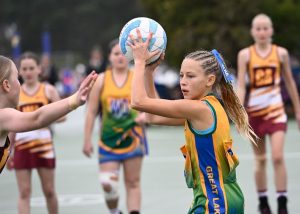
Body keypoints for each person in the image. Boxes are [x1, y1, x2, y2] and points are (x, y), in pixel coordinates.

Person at [129, 30, 257, 214]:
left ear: (209, 80)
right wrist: (149, 71)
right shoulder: (207, 108)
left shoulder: (198, 109)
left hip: (215, 202)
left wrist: (139, 62)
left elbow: (138, 102)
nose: (183, 82)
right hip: (220, 198)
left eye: (190, 76)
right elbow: (152, 117)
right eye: (181, 76)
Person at [236, 13, 300, 214]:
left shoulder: (280, 53)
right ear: (252, 32)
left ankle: (282, 201)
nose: (262, 32)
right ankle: (263, 201)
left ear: (271, 31)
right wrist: (239, 111)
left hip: (276, 112)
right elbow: (241, 85)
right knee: (261, 159)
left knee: (278, 157)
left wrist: (298, 109)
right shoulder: (245, 55)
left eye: (265, 28)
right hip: (255, 114)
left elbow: (289, 82)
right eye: (258, 28)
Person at [0, 54, 97, 175]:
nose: (20, 83)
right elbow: (37, 118)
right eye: (17, 78)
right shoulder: (3, 116)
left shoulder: (47, 89)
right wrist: (74, 100)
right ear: (6, 85)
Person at [83, 39, 148, 214]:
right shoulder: (101, 80)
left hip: (133, 137)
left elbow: (149, 103)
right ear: (109, 57)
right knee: (107, 183)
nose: (120, 57)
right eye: (116, 53)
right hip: (108, 140)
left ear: (129, 56)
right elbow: (91, 111)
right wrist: (87, 139)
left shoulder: (137, 76)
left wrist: (145, 115)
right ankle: (114, 212)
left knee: (133, 182)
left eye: (123, 53)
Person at [5, 52, 65, 214]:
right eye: (24, 69)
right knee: (24, 192)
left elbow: (63, 116)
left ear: (39, 69)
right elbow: (10, 125)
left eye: (32, 68)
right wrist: (9, 150)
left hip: (44, 147)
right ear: (20, 72)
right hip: (22, 148)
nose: (28, 72)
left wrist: (43, 118)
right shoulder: (15, 93)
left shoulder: (48, 90)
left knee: (49, 190)